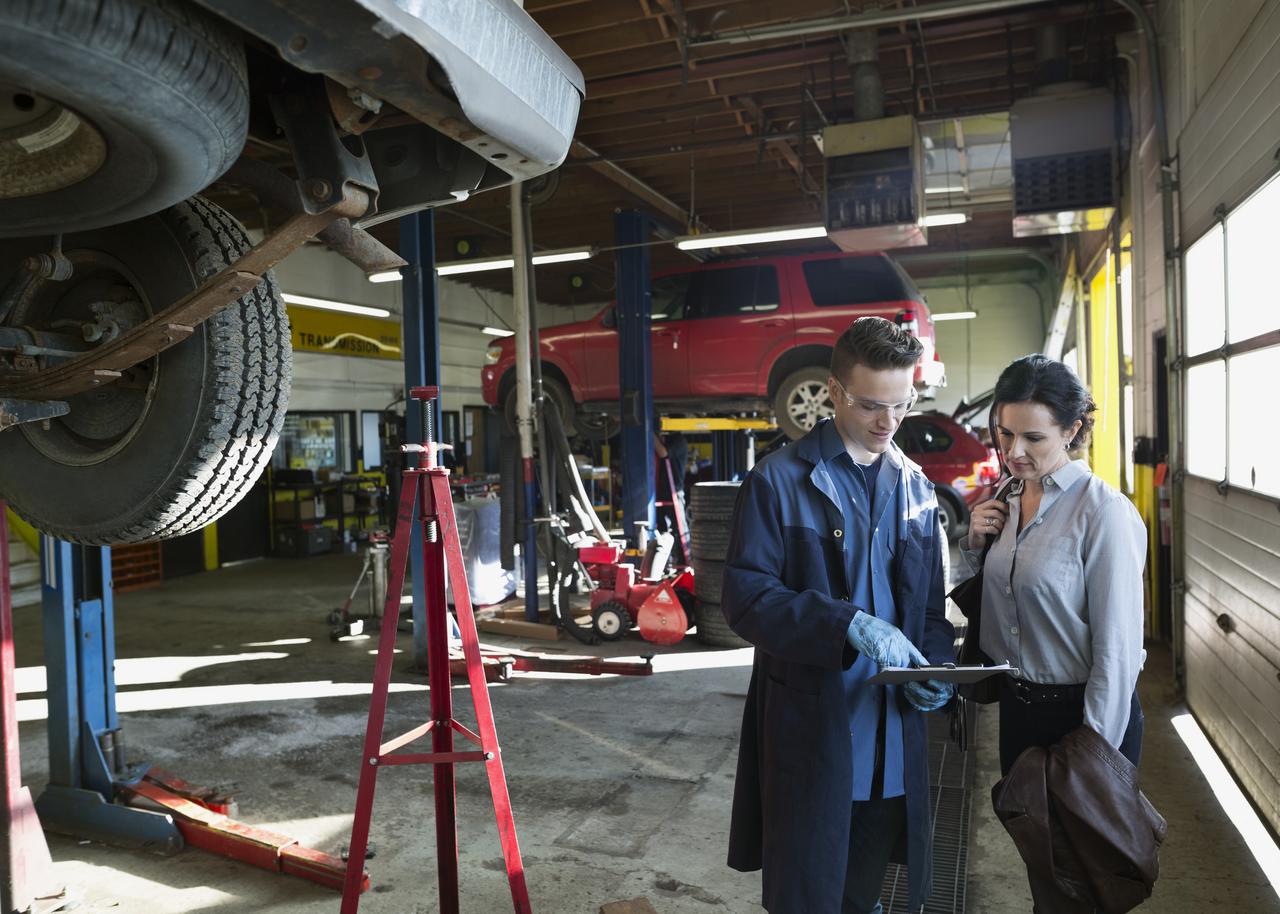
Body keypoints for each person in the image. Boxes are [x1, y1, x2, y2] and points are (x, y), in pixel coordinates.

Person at [721, 316, 956, 914]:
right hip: (815, 730)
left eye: (902, 405)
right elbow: (746, 597)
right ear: (834, 391)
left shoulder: (917, 490)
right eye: (871, 405)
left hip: (888, 738)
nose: (888, 423)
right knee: (807, 894)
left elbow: (931, 610)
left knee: (862, 894)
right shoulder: (778, 481)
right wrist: (845, 623)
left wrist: (935, 670)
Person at [961, 354, 1147, 912]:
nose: (1015, 452)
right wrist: (976, 544)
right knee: (1045, 875)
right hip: (1021, 714)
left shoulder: (1103, 514)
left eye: (1034, 438)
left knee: (1082, 882)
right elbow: (1007, 604)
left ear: (1073, 429)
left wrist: (1093, 762)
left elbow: (1117, 654)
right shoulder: (1008, 499)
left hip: (1084, 719)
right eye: (1006, 433)